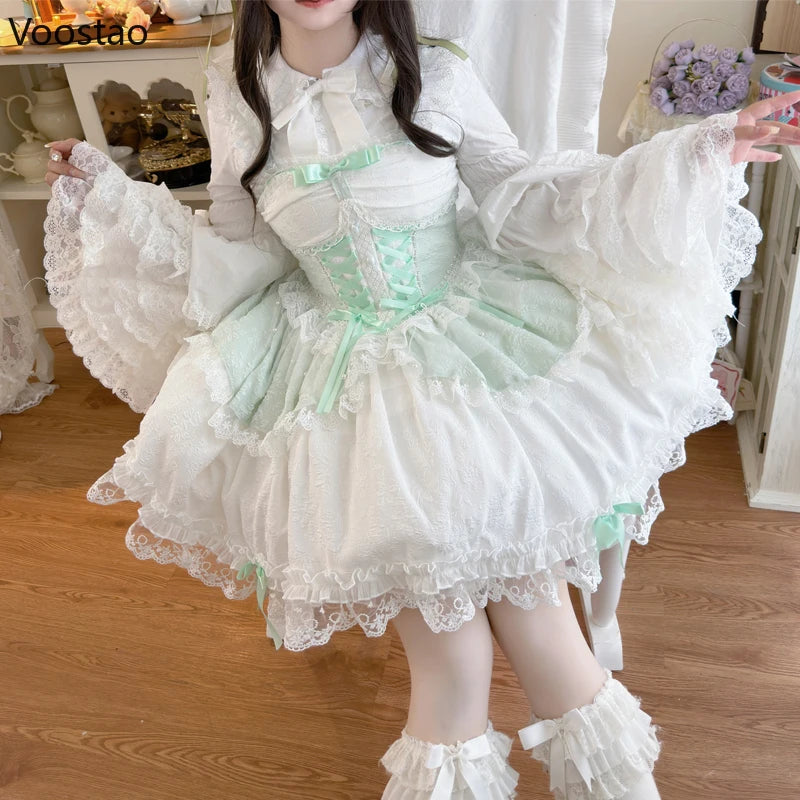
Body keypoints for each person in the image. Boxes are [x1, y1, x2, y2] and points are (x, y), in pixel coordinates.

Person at [43, 1, 800, 797]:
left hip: (477, 356)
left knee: (545, 633)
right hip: (343, 393)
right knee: (452, 662)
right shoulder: (236, 94)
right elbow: (245, 248)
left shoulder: (433, 67)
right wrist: (112, 200)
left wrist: (690, 158)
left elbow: (524, 197)